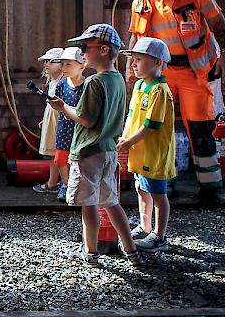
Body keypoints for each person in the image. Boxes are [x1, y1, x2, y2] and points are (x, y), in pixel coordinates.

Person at [126, 0, 225, 205]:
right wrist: (130, 66)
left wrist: (224, 55)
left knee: (201, 128)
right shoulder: (141, 2)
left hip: (196, 72)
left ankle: (211, 188)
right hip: (161, 74)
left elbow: (218, 24)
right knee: (160, 129)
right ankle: (162, 186)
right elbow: (136, 38)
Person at [49, 24, 142, 267]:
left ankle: (90, 252)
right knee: (111, 202)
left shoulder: (93, 83)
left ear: (102, 49)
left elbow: (86, 119)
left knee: (88, 205)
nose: (81, 53)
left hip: (88, 151)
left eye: (84, 48)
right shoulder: (119, 81)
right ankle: (130, 250)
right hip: (109, 150)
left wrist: (63, 108)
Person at [118, 37, 176, 253]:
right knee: (141, 187)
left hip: (154, 153)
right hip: (139, 151)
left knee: (158, 194)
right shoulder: (140, 85)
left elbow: (152, 125)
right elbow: (133, 116)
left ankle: (160, 236)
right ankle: (145, 225)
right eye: (133, 59)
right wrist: (125, 138)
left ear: (157, 62)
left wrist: (129, 141)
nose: (133, 64)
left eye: (139, 59)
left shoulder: (159, 90)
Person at [51, 47, 86, 202]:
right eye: (62, 64)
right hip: (64, 127)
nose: (63, 68)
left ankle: (76, 186)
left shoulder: (87, 85)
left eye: (68, 64)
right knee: (60, 158)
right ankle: (65, 184)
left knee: (78, 159)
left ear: (82, 66)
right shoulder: (61, 84)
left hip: (80, 129)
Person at [33, 48, 64, 194]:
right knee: (52, 153)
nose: (47, 64)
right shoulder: (53, 82)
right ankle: (53, 182)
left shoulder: (63, 82)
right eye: (46, 61)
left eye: (51, 61)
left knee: (59, 153)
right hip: (51, 118)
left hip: (59, 120)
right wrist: (44, 120)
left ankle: (62, 183)